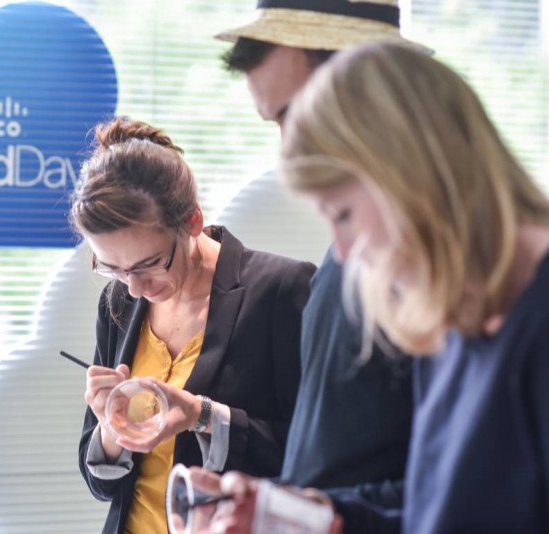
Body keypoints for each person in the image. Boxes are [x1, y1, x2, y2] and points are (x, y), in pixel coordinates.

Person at [210, 41, 549, 533]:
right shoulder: (451, 319)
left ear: (411, 174)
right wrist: (310, 516)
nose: (344, 253)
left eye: (343, 214)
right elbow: (437, 512)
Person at [214, 0, 417, 507]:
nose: (287, 154)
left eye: (293, 114)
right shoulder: (343, 254)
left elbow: (473, 491)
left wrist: (323, 515)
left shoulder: (458, 267)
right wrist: (272, 505)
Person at [72, 116, 316, 533]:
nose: (134, 288)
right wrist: (112, 428)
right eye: (112, 268)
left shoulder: (281, 290)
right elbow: (104, 486)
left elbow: (315, 456)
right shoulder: (118, 301)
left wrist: (201, 415)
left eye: (150, 264)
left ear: (192, 221)